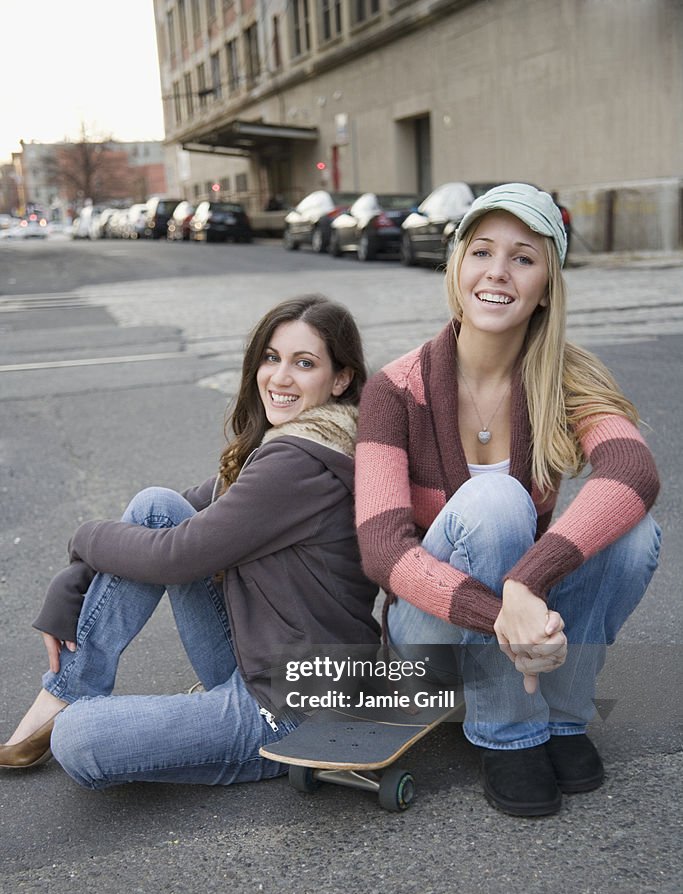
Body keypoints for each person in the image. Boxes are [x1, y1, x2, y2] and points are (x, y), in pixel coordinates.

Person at [355, 183, 661, 818]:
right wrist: (502, 611)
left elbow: (633, 469)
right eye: (482, 252)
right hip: (429, 636)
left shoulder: (566, 376)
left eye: (523, 257)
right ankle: (510, 731)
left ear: (547, 282)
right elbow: (382, 549)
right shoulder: (395, 389)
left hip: (524, 622)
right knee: (494, 499)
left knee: (633, 533)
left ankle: (566, 718)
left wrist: (527, 583)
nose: (498, 272)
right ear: (457, 267)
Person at [0, 294, 380, 787]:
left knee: (79, 738)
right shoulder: (306, 442)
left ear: (341, 379)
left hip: (294, 702)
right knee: (156, 506)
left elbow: (176, 557)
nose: (280, 378)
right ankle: (63, 695)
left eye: (304, 364)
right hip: (258, 658)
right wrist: (75, 578)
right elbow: (171, 513)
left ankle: (69, 708)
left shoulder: (300, 463)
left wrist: (82, 539)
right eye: (271, 357)